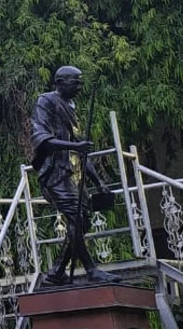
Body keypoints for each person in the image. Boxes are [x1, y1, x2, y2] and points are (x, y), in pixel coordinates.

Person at [30, 66, 119, 285]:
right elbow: (42, 138)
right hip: (56, 172)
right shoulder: (46, 101)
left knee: (83, 222)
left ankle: (56, 272)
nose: (79, 88)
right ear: (60, 83)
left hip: (74, 173)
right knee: (76, 218)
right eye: (75, 83)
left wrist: (98, 182)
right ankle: (91, 270)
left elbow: (81, 152)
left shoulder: (71, 107)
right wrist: (74, 146)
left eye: (81, 83)